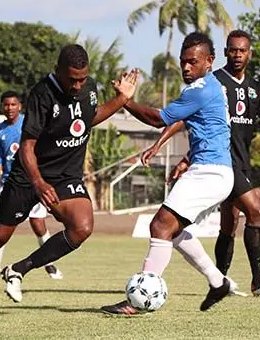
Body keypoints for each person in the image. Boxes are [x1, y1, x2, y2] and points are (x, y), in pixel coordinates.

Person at [0, 44, 139, 315]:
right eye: (72, 79)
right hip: (28, 176)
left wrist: (121, 99)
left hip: (66, 175)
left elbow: (88, 119)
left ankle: (19, 270)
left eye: (82, 79)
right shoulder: (42, 94)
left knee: (82, 227)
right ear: (58, 71)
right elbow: (27, 146)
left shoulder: (89, 88)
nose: (77, 85)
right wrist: (39, 183)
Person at [140, 30, 260, 297]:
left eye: (242, 50)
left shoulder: (255, 88)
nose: (237, 55)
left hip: (239, 160)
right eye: (232, 50)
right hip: (223, 161)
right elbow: (183, 117)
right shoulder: (212, 81)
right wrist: (166, 148)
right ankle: (258, 279)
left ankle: (220, 279)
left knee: (230, 222)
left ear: (250, 53)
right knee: (255, 211)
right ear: (224, 53)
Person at [101, 32, 237, 315]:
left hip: (210, 172)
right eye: (183, 62)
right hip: (211, 169)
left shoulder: (200, 90)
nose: (186, 68)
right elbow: (181, 120)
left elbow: (158, 118)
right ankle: (217, 281)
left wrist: (125, 100)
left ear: (210, 61)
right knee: (173, 230)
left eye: (193, 62)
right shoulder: (206, 86)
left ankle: (138, 300)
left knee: (159, 226)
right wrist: (160, 145)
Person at [0, 91, 63, 280]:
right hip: (10, 185)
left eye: (13, 104)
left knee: (38, 224)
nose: (9, 108)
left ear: (20, 106)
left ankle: (50, 265)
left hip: (32, 183)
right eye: (6, 105)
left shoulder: (29, 124)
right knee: (2, 226)